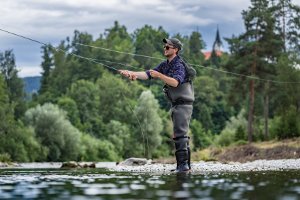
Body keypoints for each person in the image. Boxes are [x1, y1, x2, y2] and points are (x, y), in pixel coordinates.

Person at [119, 38, 195, 172]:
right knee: (179, 133)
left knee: (180, 134)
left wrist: (160, 75)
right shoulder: (165, 64)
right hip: (176, 104)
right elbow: (148, 74)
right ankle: (185, 166)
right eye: (164, 47)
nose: (165, 49)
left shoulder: (179, 65)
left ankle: (183, 167)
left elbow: (175, 82)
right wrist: (131, 73)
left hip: (184, 104)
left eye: (168, 47)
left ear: (176, 50)